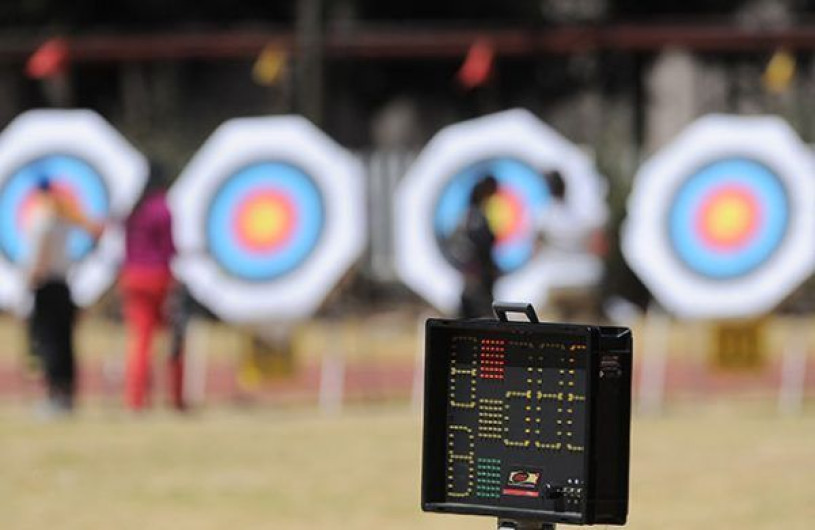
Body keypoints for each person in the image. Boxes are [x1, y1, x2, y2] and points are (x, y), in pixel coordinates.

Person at [26, 177, 102, 416]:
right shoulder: (65, 219)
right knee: (64, 342)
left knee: (49, 342)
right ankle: (66, 395)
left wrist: (32, 277)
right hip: (63, 286)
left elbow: (41, 256)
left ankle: (54, 397)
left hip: (46, 284)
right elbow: (95, 232)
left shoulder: (43, 219)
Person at [120, 162, 182, 411]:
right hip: (158, 278)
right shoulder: (162, 208)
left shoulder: (135, 209)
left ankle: (136, 399)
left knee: (141, 340)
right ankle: (176, 397)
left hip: (132, 277)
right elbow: (169, 248)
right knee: (174, 338)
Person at [453, 175, 500, 318]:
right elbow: (478, 245)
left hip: (479, 273)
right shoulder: (474, 217)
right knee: (477, 312)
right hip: (477, 273)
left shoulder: (472, 215)